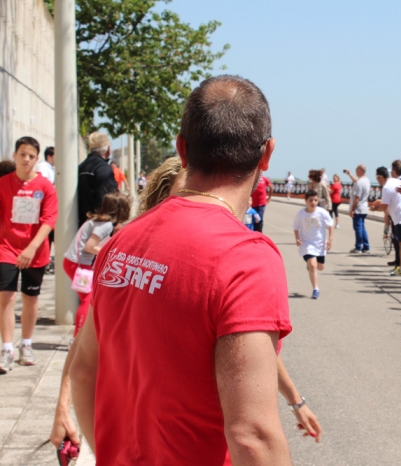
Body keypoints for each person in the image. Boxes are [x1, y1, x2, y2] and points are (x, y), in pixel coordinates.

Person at [69, 75, 294, 464]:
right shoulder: (246, 258)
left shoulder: (124, 240)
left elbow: (84, 372)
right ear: (267, 154)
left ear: (182, 149)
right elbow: (252, 436)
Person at [0, 137, 58, 373]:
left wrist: (32, 247)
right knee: (7, 296)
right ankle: (6, 349)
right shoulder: (3, 184)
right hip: (6, 248)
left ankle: (26, 344)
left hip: (35, 250)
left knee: (30, 298)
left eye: (31, 156)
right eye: (22, 154)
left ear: (37, 159)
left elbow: (49, 220)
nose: (26, 159)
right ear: (15, 156)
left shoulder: (45, 187)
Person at [63, 192, 131, 337]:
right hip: (78, 264)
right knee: (87, 300)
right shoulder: (105, 225)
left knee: (87, 298)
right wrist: (108, 253)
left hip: (75, 262)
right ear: (120, 210)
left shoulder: (96, 220)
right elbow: (89, 246)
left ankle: (79, 336)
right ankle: (77, 337)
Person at [370, 164, 401, 276]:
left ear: (380, 177)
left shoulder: (387, 186)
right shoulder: (396, 181)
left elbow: (384, 207)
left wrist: (374, 209)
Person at [293, 189, 334, 299]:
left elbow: (330, 225)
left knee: (320, 267)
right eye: (310, 200)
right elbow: (296, 227)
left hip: (320, 244)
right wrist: (297, 238)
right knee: (312, 265)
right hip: (307, 243)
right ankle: (315, 289)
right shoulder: (301, 213)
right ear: (306, 201)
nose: (313, 202)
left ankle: (311, 266)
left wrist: (330, 239)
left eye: (315, 200)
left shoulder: (322, 212)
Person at [78, 132, 118, 226]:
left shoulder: (80, 168)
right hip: (98, 227)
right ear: (108, 150)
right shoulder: (103, 169)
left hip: (81, 225)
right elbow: (109, 201)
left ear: (89, 148)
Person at [345, 164, 370, 254]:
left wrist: (352, 209)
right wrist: (349, 174)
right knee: (362, 228)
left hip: (358, 208)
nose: (355, 171)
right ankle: (366, 247)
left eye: (356, 169)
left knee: (358, 228)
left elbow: (357, 198)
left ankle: (358, 247)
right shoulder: (366, 180)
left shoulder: (360, 183)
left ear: (360, 170)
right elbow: (356, 181)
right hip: (364, 208)